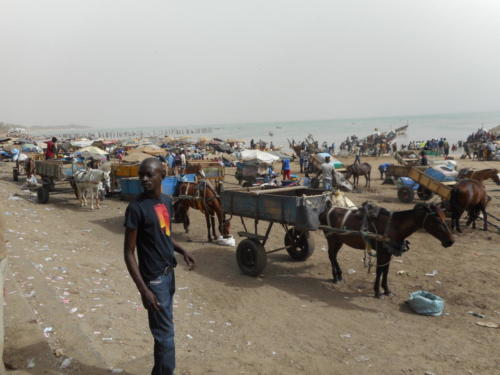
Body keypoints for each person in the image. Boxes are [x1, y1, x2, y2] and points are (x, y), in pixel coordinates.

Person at [124, 158, 195, 375]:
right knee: (166, 336)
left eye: (149, 175)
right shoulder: (136, 208)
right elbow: (128, 252)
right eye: (141, 175)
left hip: (169, 275)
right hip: (154, 281)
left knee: (163, 333)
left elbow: (165, 234)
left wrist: (182, 250)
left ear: (161, 176)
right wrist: (144, 290)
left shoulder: (165, 201)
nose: (144, 179)